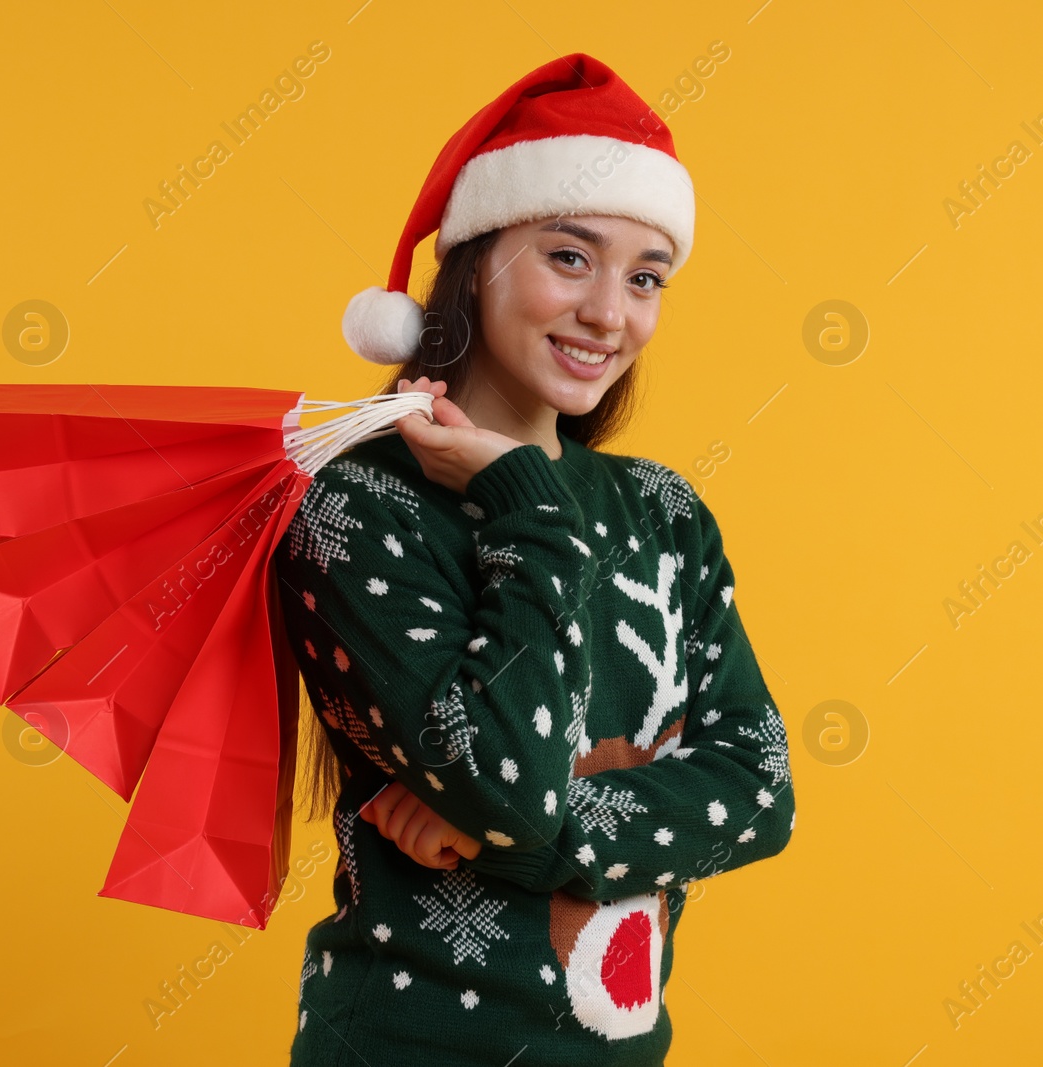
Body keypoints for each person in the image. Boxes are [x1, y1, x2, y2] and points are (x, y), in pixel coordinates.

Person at [276, 53, 794, 1066]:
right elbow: (504, 781)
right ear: (476, 258)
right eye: (570, 257)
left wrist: (520, 825)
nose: (611, 312)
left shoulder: (662, 510)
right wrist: (525, 501)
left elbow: (760, 790)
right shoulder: (358, 505)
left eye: (646, 277)